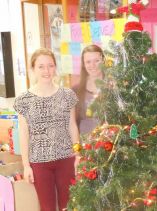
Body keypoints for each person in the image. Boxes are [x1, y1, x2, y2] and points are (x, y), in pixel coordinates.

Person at [14, 48, 80, 211]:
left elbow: (72, 126)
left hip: (66, 159)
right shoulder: (23, 100)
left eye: (50, 66)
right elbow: (24, 133)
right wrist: (26, 165)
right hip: (39, 163)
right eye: (41, 66)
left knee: (69, 206)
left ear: (55, 68)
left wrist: (78, 155)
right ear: (33, 69)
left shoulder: (67, 95)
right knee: (47, 207)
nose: (46, 71)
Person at [74, 44, 104, 135]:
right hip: (85, 145)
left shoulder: (113, 86)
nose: (93, 65)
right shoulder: (75, 90)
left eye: (97, 61)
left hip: (110, 143)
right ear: (84, 64)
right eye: (88, 62)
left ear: (103, 61)